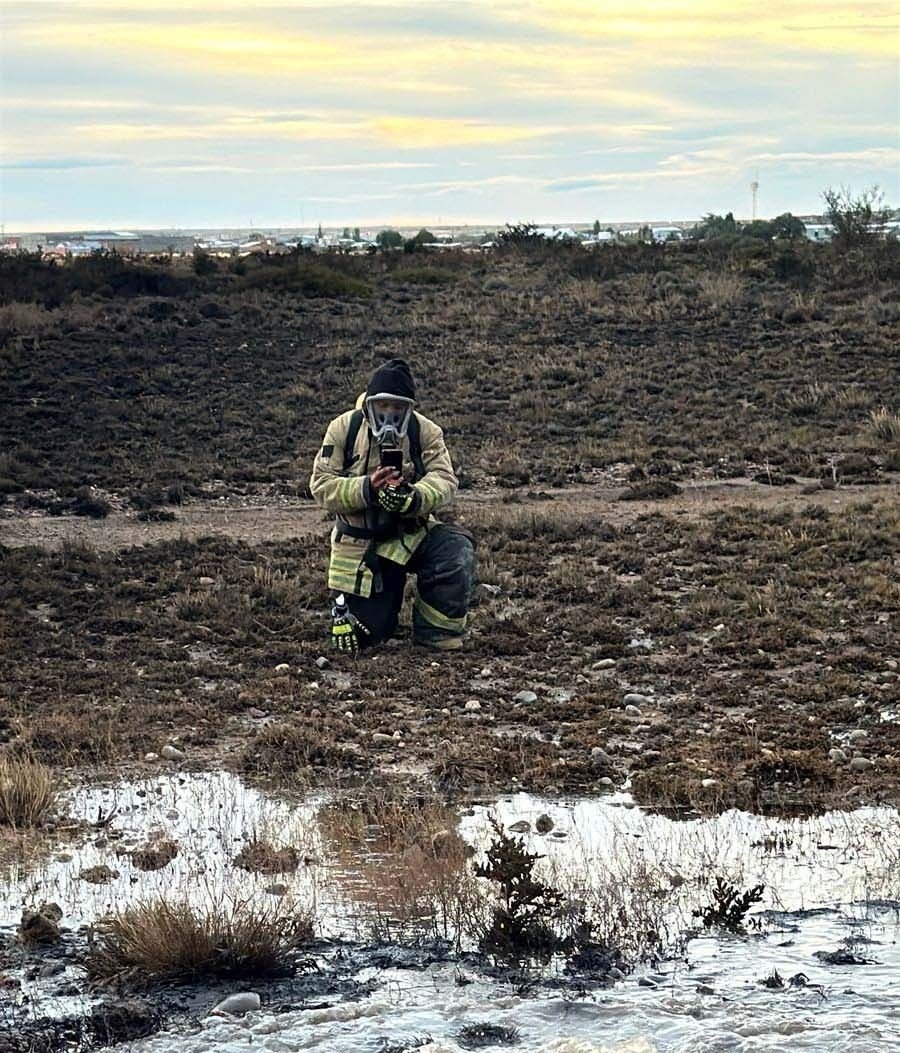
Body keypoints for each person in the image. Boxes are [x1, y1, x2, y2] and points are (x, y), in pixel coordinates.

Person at [310, 358, 475, 654]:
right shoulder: (343, 428)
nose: (389, 416)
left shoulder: (425, 431)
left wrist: (414, 497)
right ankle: (374, 608)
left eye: (397, 408)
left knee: (455, 550)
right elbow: (321, 485)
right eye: (383, 407)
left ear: (408, 407)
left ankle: (436, 635)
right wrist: (367, 488)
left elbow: (445, 479)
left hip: (410, 534)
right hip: (363, 546)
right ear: (370, 405)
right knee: (364, 638)